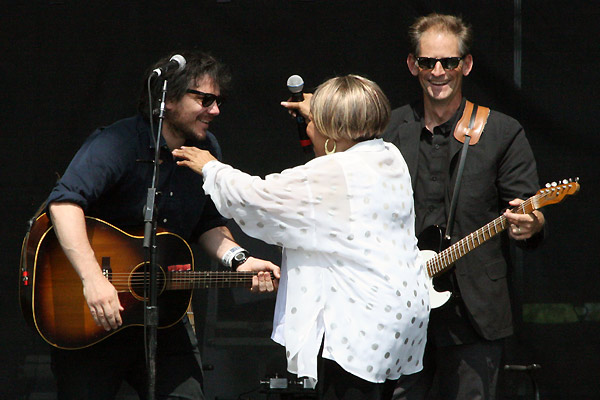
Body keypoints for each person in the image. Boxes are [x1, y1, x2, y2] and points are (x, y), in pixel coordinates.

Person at [172, 74, 430, 400]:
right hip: (398, 312)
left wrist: (212, 168)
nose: (309, 127)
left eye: (315, 121)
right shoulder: (388, 155)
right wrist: (324, 108)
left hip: (359, 323)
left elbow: (259, 198)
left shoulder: (336, 172)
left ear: (333, 130)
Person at [45, 49, 280, 400]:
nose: (215, 110)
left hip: (164, 314)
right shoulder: (118, 142)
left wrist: (242, 261)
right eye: (206, 99)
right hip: (92, 316)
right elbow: (64, 204)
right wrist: (93, 280)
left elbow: (207, 223)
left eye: (219, 101)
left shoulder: (206, 148)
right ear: (168, 99)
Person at [382, 13, 546, 400]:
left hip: (474, 314)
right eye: (427, 62)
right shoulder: (389, 129)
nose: (438, 71)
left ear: (466, 65)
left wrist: (532, 223)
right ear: (413, 65)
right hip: (401, 307)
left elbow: (529, 208)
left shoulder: (502, 131)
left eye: (449, 62)